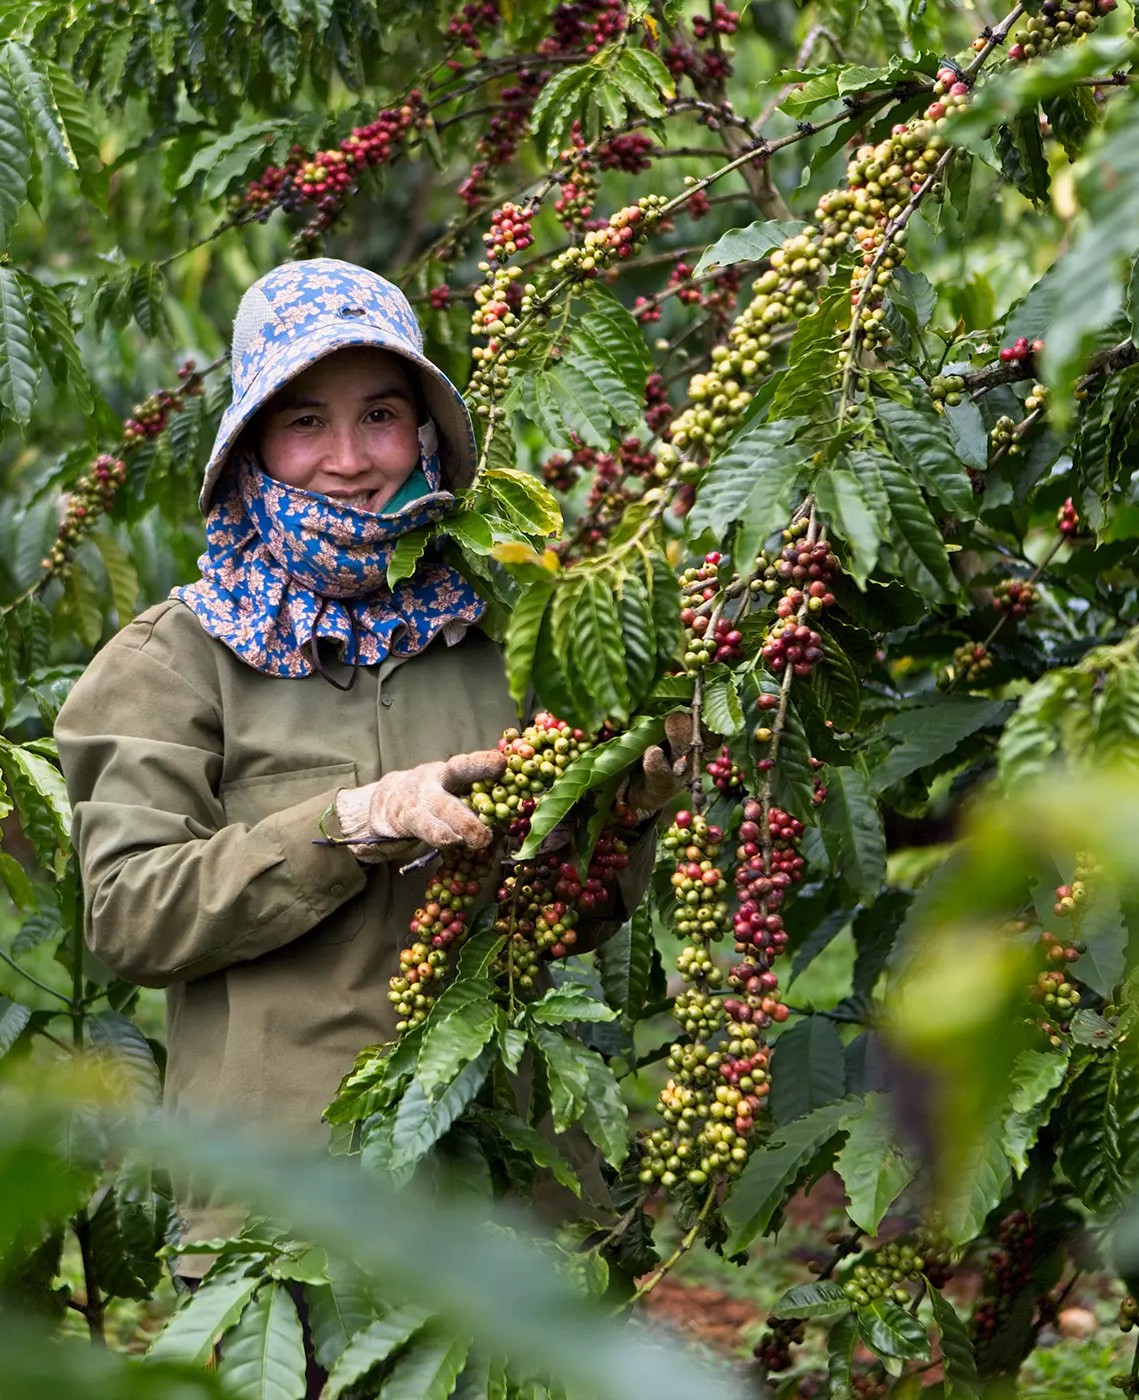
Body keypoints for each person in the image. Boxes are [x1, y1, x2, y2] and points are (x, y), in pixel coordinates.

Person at [55, 259, 690, 1283]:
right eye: (304, 421)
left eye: (381, 415)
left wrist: (627, 810)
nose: (348, 460)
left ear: (427, 434)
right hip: (290, 1224)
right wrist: (352, 822)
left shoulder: (512, 630)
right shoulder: (171, 664)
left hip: (510, 1209)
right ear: (252, 445)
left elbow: (568, 913)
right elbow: (129, 912)